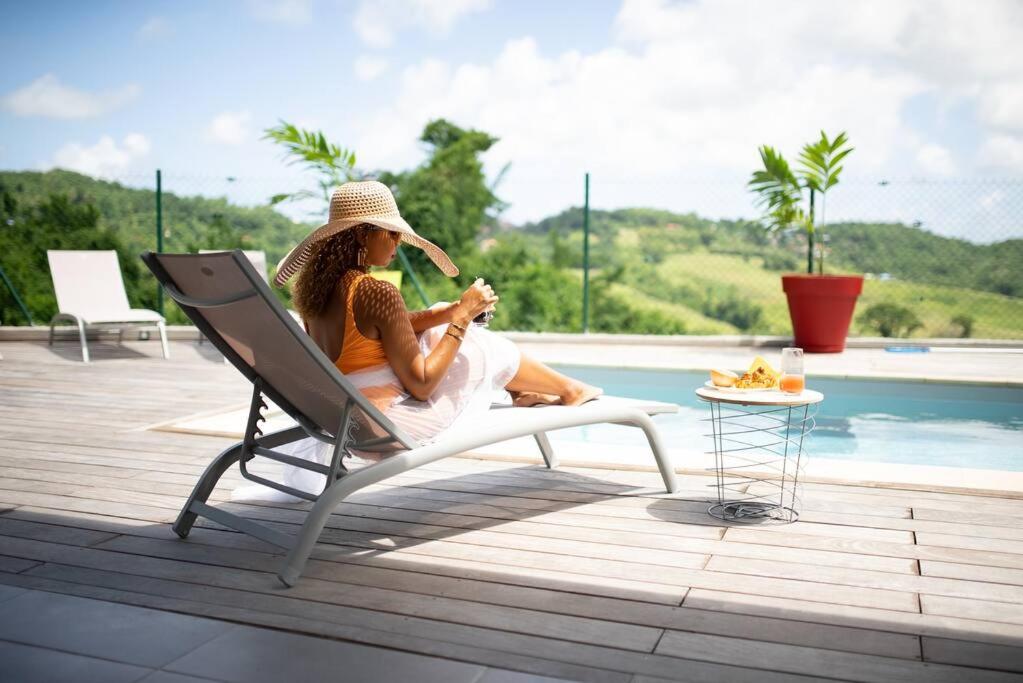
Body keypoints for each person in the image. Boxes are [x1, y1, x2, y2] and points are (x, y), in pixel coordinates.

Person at [234, 181, 599, 499]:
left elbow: (386, 329)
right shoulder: (376, 292)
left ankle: (526, 392)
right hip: (390, 426)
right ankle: (568, 391)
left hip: (348, 416)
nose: (397, 242)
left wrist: (450, 310)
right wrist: (462, 317)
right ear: (362, 234)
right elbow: (422, 386)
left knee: (441, 316)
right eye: (390, 233)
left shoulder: (318, 291)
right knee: (479, 344)